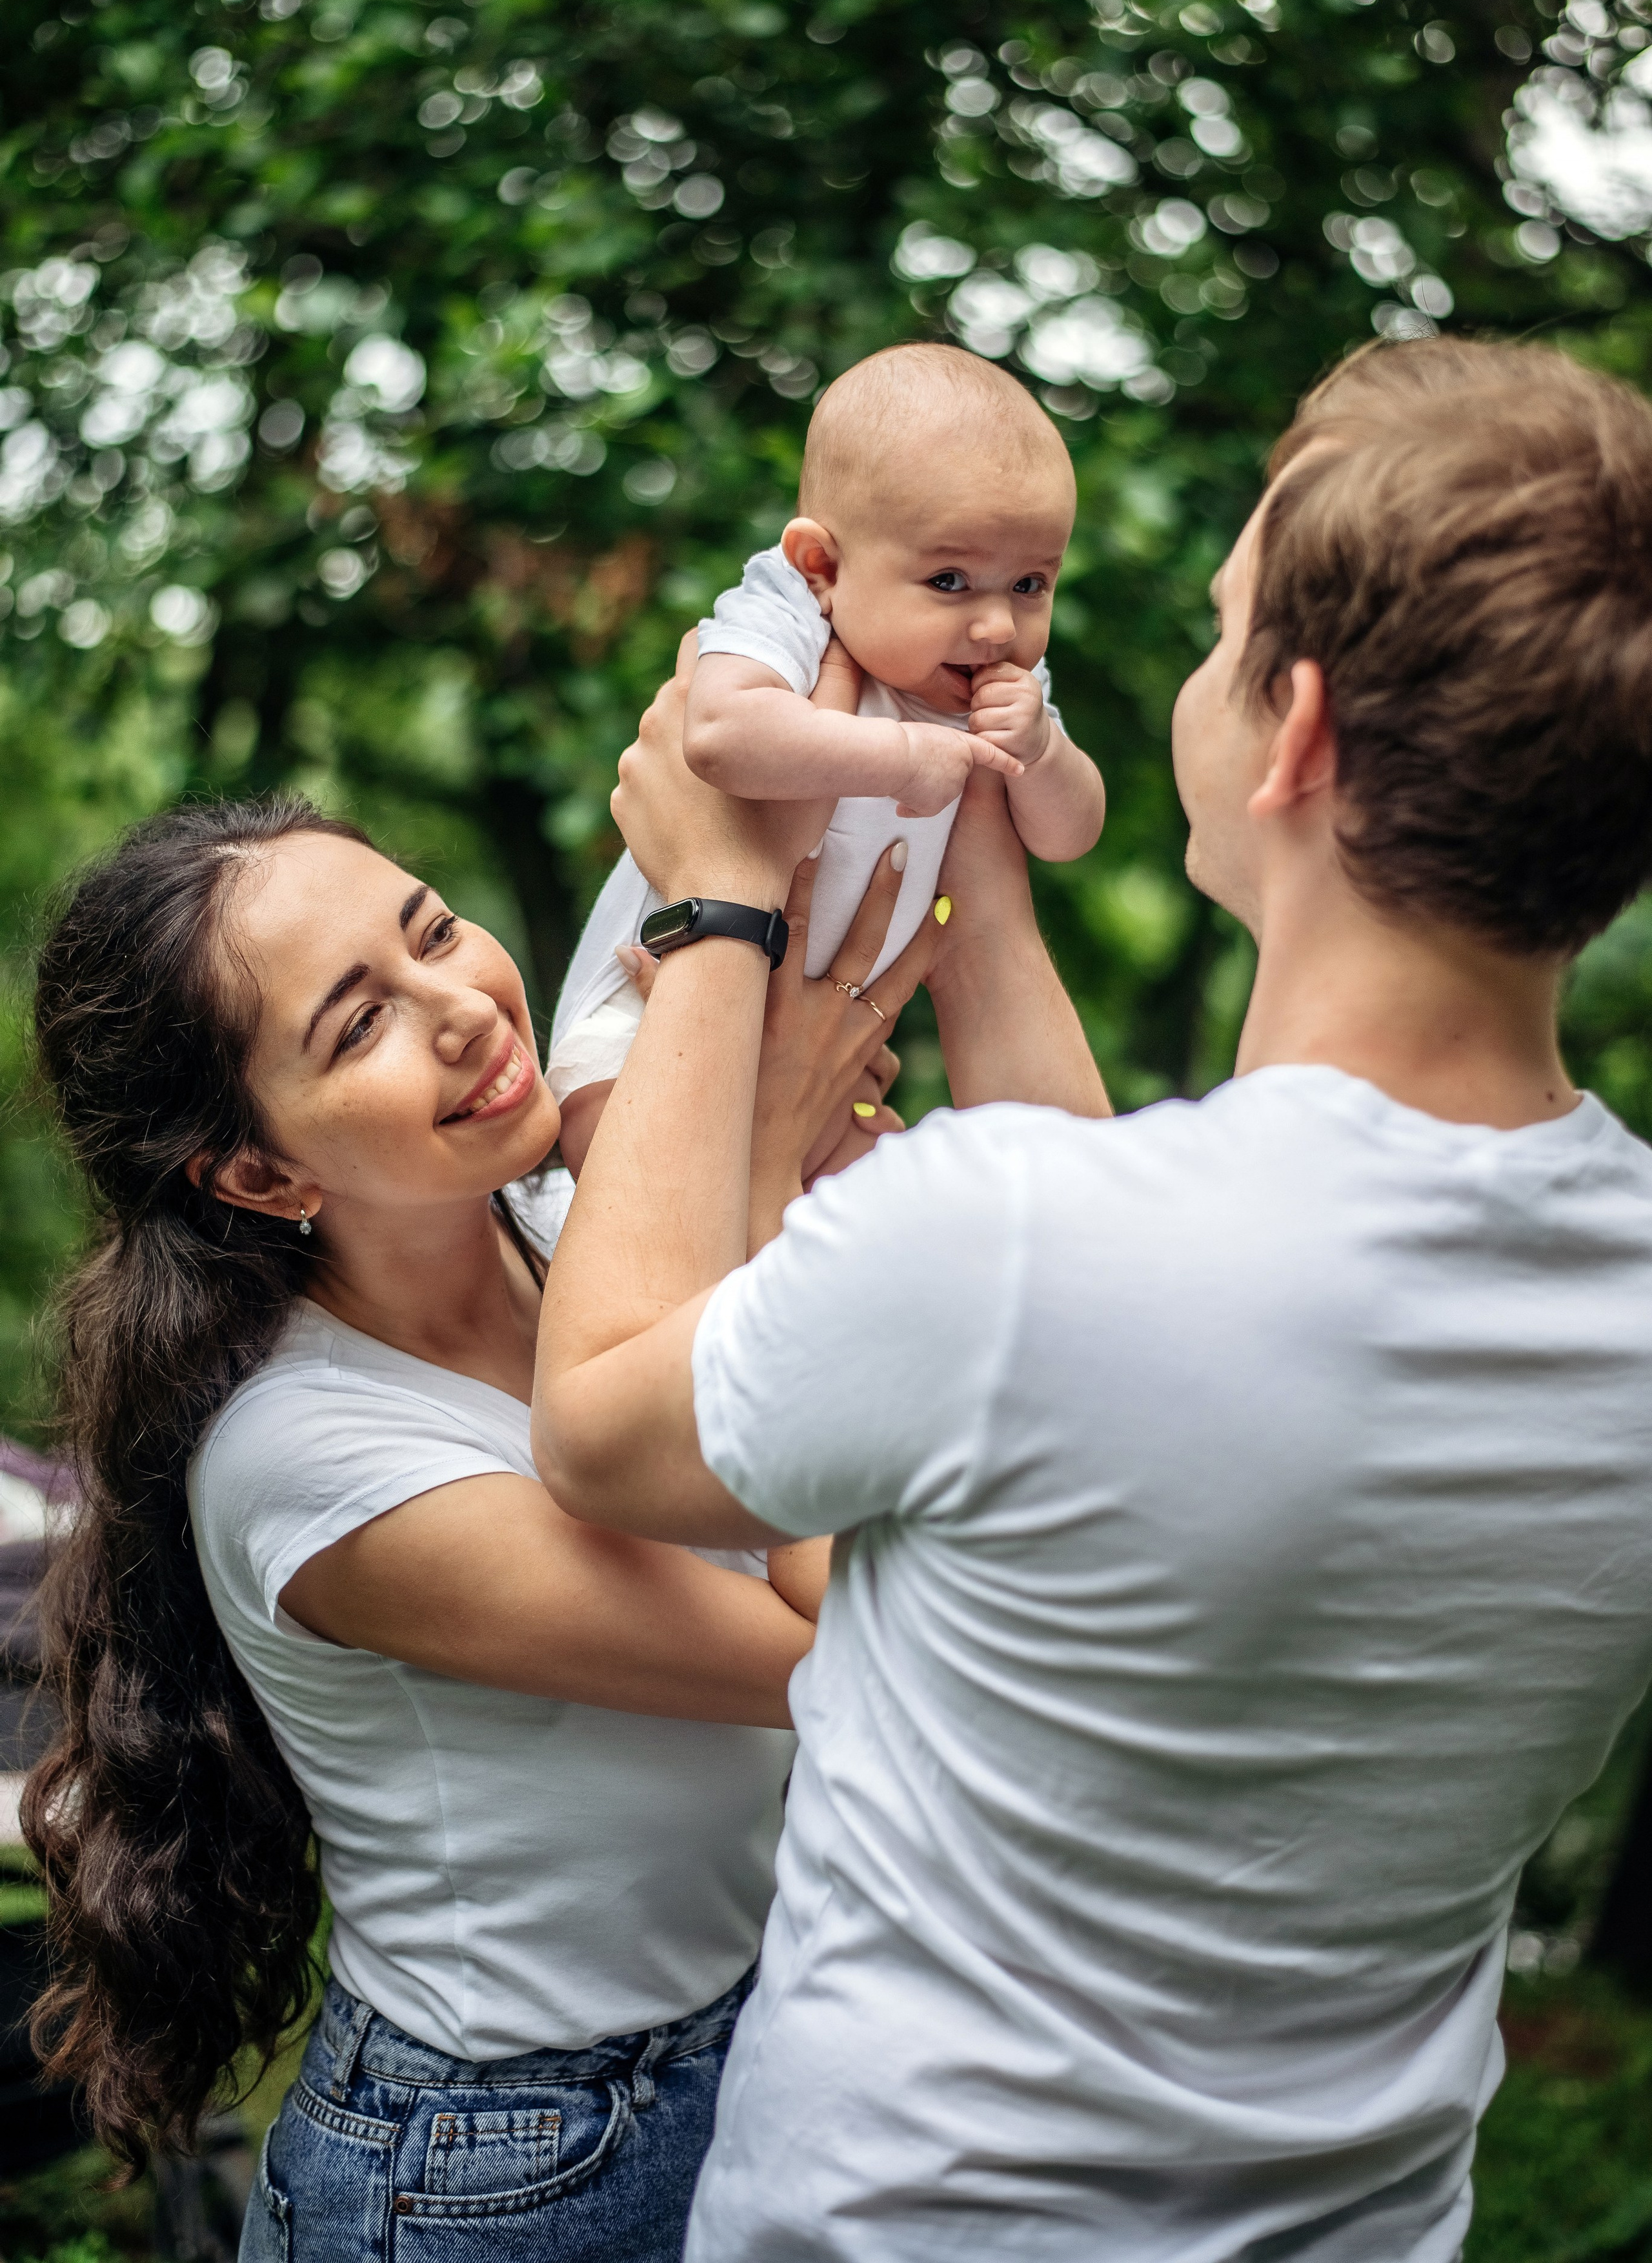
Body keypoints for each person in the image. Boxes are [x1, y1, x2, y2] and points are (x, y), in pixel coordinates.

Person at [534, 337, 1652, 2261]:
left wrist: (714, 904)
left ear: (1290, 735)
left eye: (1217, 637)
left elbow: (603, 1422)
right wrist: (968, 833)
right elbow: (1116, 1230)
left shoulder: (1013, 1258)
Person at [21, 792, 932, 2262]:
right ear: (260, 1171)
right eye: (356, 1022)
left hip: (746, 2041)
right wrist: (759, 1191)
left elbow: (725, 766)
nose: (458, 1004)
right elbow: (834, 1642)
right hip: (505, 2157)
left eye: (433, 927)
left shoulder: (576, 1237)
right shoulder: (308, 1459)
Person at [545, 345, 1105, 1173]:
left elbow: (1069, 834)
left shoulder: (1005, 683)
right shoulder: (788, 618)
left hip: (826, 1047)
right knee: (628, 1152)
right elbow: (720, 734)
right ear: (823, 566)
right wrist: (899, 754)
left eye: (1029, 584)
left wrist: (1044, 748)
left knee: (884, 1206)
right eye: (949, 580)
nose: (996, 626)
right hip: (649, 1014)